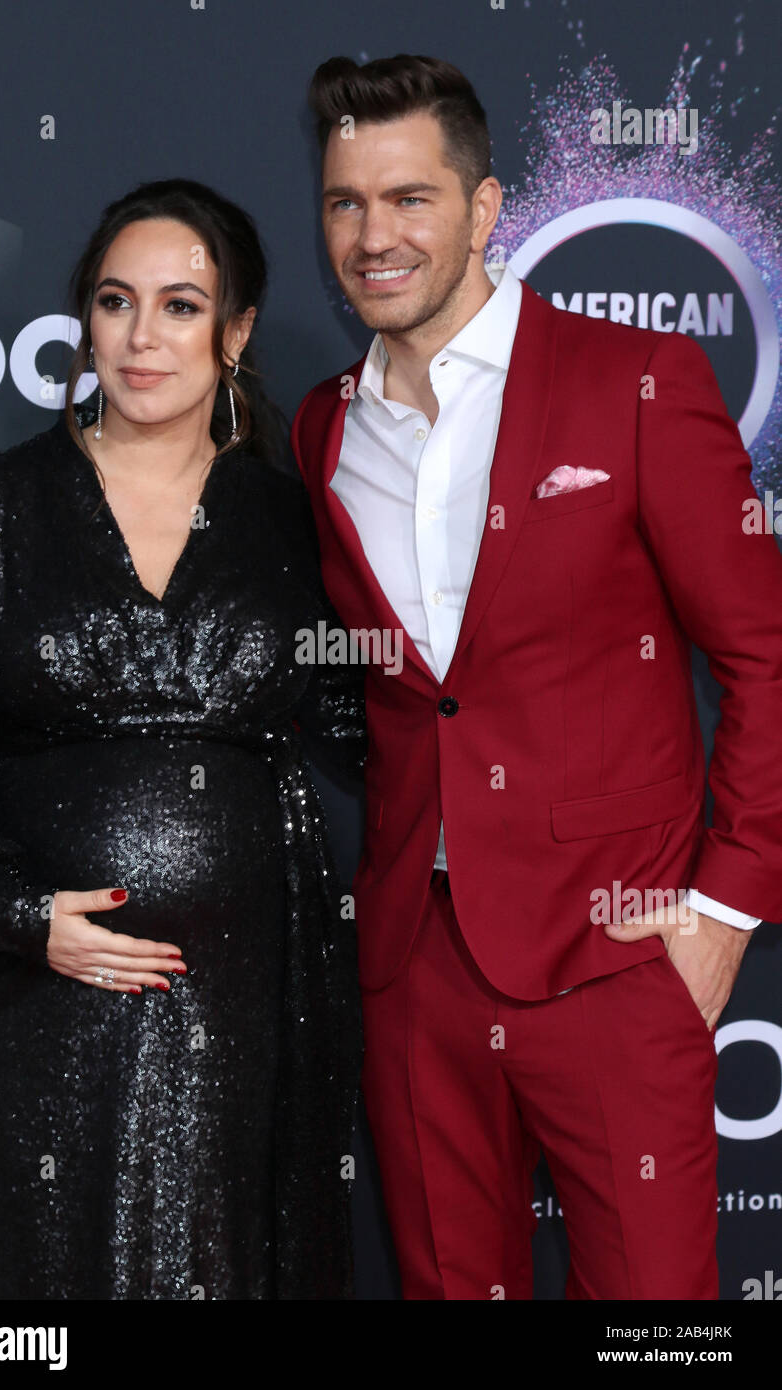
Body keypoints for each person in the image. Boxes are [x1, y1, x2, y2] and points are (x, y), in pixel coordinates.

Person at [291, 54, 782, 1299]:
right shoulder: (322, 428)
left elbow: (762, 653)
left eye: (409, 199)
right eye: (346, 202)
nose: (373, 235)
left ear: (486, 205)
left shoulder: (636, 381)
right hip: (413, 962)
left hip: (616, 950)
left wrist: (720, 915)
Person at [0, 178, 365, 1300]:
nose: (141, 336)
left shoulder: (292, 517)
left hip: (252, 998)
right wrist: (19, 918)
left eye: (179, 305)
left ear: (238, 330)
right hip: (44, 1007)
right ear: (85, 317)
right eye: (117, 302)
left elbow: (382, 725)